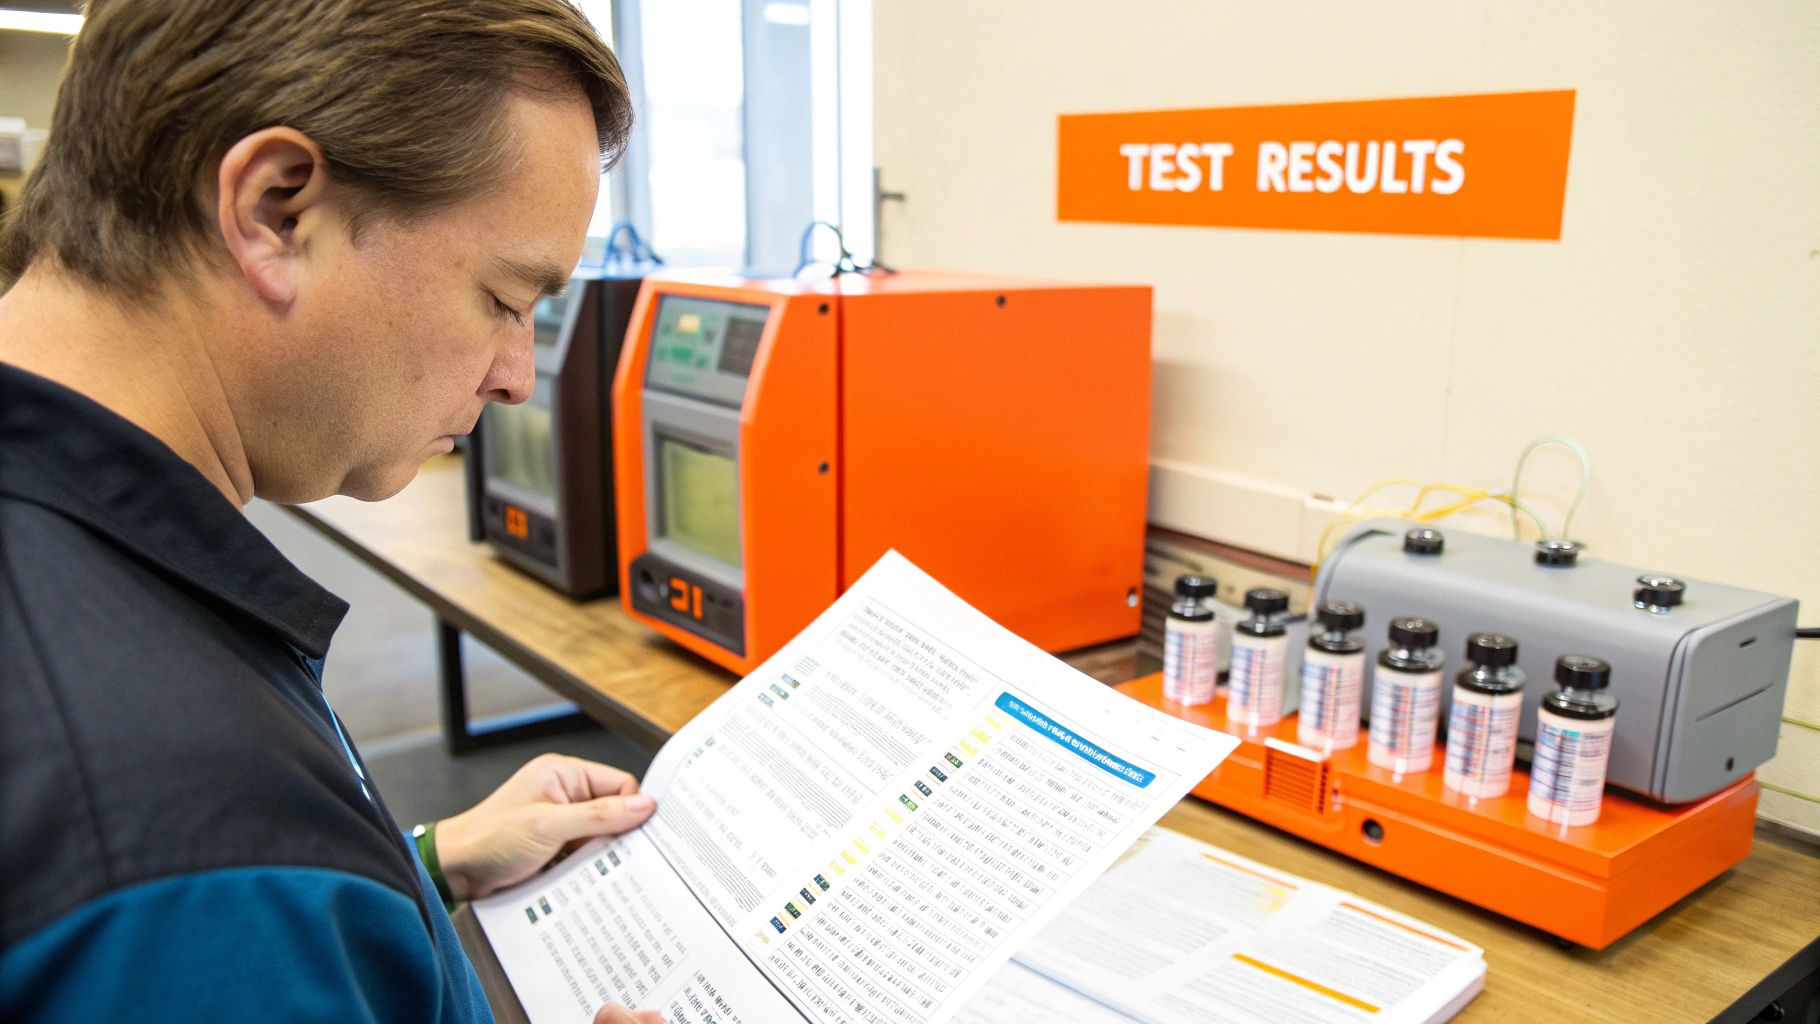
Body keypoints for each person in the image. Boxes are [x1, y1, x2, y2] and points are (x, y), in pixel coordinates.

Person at [0, 2, 661, 1021]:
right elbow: (196, 894)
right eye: (502, 298)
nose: (519, 375)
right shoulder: (190, 822)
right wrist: (288, 881)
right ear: (274, 209)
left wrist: (403, 873)